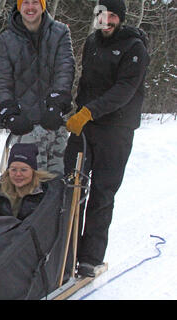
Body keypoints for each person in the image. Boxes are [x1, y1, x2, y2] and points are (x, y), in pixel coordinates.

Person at [64, 0, 150, 277]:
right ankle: (66, 251)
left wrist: (90, 110)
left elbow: (125, 89)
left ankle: (90, 258)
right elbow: (86, 81)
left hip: (116, 130)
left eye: (113, 16)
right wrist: (77, 109)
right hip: (86, 126)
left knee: (102, 192)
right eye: (103, 14)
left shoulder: (134, 48)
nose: (107, 20)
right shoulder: (91, 42)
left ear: (120, 19)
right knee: (71, 187)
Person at [0, 0, 75, 175]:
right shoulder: (7, 40)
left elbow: (65, 70)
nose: (30, 7)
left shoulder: (60, 32)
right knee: (27, 188)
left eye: (35, 2)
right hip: (24, 128)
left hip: (53, 122)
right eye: (25, 2)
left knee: (58, 184)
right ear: (19, 6)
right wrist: (10, 115)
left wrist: (56, 105)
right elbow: (1, 81)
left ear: (42, 5)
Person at [0, 143, 56, 220]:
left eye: (24, 170)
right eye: (13, 169)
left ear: (33, 172)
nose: (18, 174)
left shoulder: (46, 197)